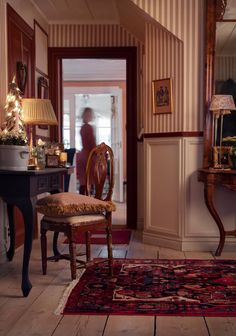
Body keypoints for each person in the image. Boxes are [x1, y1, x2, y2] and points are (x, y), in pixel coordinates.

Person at [76, 107, 96, 194]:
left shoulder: (83, 127)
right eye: (89, 114)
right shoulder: (88, 127)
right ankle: (88, 201)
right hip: (88, 156)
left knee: (84, 181)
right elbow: (91, 142)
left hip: (83, 155)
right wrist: (97, 151)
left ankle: (84, 200)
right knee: (89, 179)